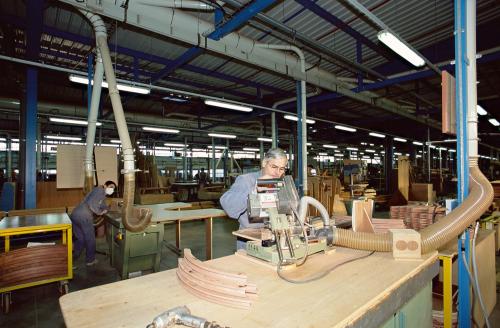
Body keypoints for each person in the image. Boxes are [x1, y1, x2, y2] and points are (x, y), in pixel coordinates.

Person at [220, 148, 288, 250]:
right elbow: (228, 205)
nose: (277, 173)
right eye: (274, 167)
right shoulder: (246, 180)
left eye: (281, 169)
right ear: (264, 163)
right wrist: (254, 190)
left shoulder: (280, 183)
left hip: (276, 237)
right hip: (250, 240)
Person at [71, 180, 116, 266]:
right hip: (84, 215)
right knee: (90, 239)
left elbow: (102, 205)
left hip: (76, 214)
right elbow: (92, 204)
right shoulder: (100, 190)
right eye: (110, 186)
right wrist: (99, 212)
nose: (111, 189)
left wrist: (109, 209)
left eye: (113, 188)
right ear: (105, 185)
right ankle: (90, 260)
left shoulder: (100, 194)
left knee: (80, 239)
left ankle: (71, 260)